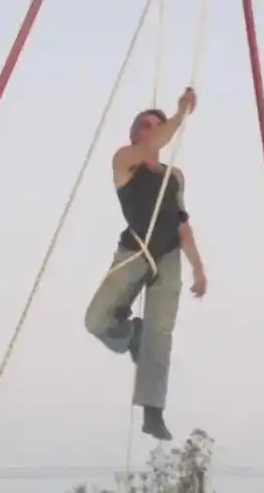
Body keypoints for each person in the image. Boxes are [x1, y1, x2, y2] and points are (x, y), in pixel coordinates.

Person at [84, 86, 207, 442]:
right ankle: (129, 335)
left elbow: (182, 224)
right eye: (146, 126)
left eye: (158, 125)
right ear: (135, 135)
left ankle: (153, 412)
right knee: (95, 320)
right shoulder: (124, 160)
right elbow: (153, 143)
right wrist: (180, 114)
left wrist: (198, 267)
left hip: (167, 255)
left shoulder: (174, 176)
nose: (153, 131)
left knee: (161, 333)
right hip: (135, 249)